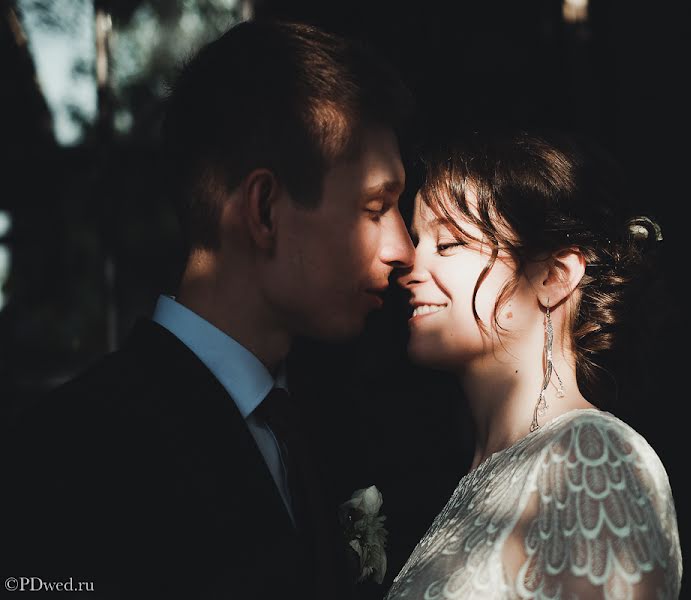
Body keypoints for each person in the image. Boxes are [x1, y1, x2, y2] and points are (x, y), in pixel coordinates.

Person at [4, 20, 414, 598]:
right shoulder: (68, 455)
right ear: (265, 210)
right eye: (377, 207)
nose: (404, 250)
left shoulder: (339, 418)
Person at [387, 131, 682, 599]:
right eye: (416, 240)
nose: (408, 265)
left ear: (554, 276)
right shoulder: (476, 475)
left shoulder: (590, 457)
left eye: (446, 245)